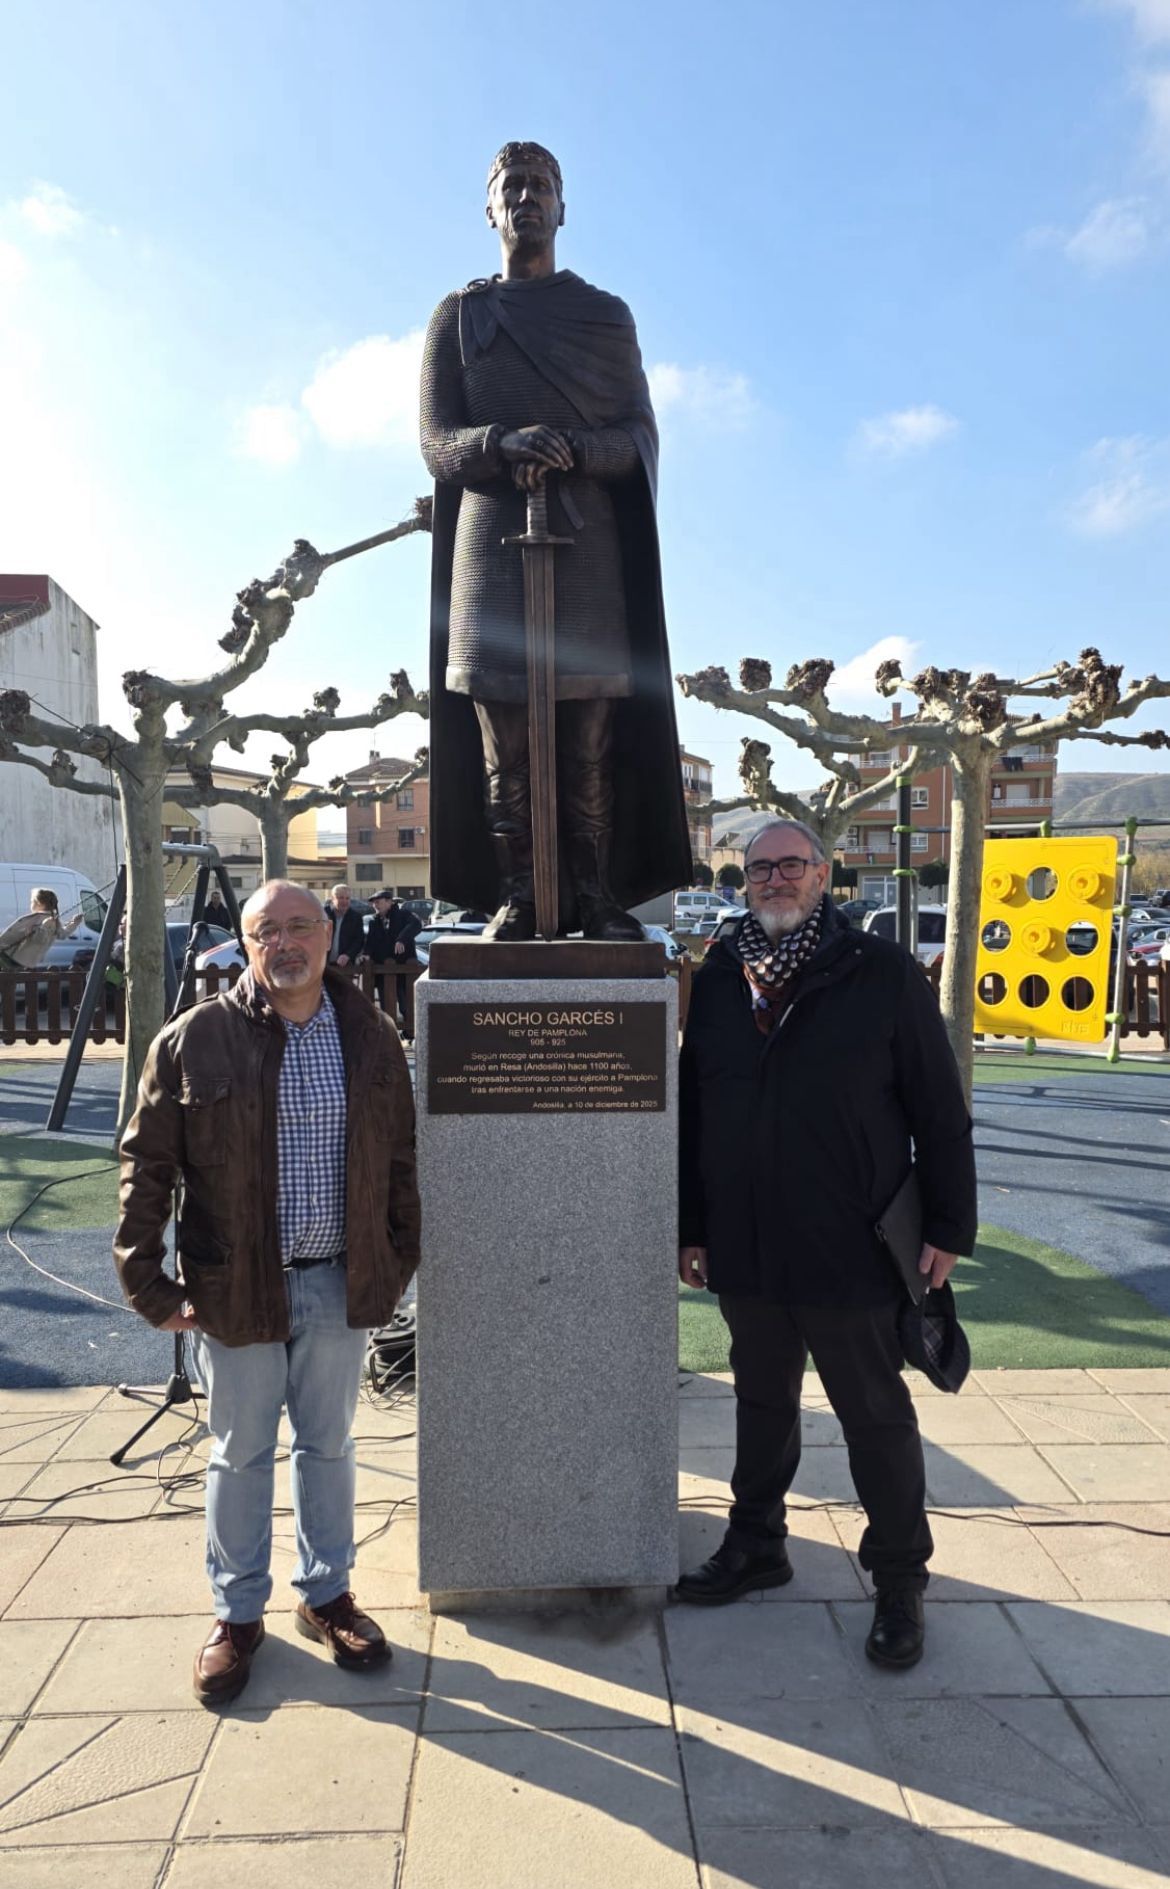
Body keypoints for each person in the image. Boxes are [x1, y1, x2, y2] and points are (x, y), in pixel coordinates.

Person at [677, 820, 976, 1668]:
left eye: (790, 865)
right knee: (761, 1402)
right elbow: (696, 1110)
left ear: (822, 874)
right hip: (746, 1238)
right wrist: (690, 1225)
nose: (774, 879)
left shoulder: (878, 970)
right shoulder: (721, 976)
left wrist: (949, 1226)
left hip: (850, 1236)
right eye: (759, 868)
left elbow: (938, 1106)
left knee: (873, 1413)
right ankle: (756, 1542)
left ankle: (899, 1577)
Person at [114, 879, 421, 1705]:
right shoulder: (194, 1038)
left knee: (329, 1446)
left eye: (299, 926)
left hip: (338, 1281)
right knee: (240, 1452)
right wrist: (147, 1280)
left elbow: (399, 1156)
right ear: (245, 945)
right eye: (265, 931)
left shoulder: (370, 1033)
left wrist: (397, 1259)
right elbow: (146, 1166)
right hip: (235, 1287)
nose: (284, 943)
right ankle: (237, 1613)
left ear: (328, 934)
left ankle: (326, 1594)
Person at [421, 139, 691, 941]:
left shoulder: (605, 316)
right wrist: (501, 443)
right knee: (504, 751)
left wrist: (574, 448)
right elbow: (436, 441)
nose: (527, 196)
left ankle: (596, 895)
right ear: (490, 209)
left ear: (563, 208)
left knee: (589, 747)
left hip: (587, 556)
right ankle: (518, 895)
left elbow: (636, 435)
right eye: (512, 185)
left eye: (541, 184)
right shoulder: (458, 316)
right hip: (490, 553)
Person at [363, 890, 421, 1035]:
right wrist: (366, 955)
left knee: (406, 1005)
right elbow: (370, 942)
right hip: (383, 971)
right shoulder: (374, 921)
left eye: (378, 902)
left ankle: (410, 1034)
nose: (375, 905)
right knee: (386, 1007)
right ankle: (389, 1035)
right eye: (374, 903)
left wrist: (402, 939)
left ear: (389, 902)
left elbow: (416, 924)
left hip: (403, 969)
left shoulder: (403, 915)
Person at [0, 887, 82, 971]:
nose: (31, 904)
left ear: (39, 903)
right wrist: (74, 923)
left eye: (32, 901)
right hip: (15, 957)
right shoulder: (51, 920)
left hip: (13, 958)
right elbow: (63, 934)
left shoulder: (44, 920)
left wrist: (43, 927)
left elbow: (39, 940)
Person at [323, 883, 364, 967]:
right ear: (333, 899)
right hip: (323, 963)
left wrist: (348, 955)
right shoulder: (323, 914)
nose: (344, 901)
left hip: (345, 965)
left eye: (347, 898)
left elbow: (359, 940)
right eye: (341, 898)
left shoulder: (356, 917)